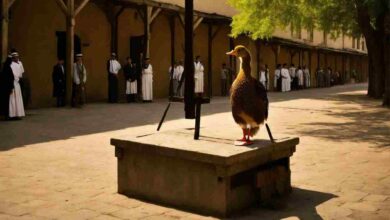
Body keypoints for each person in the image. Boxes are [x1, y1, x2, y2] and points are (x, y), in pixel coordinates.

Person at [9, 52, 25, 119]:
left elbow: (21, 72)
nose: (17, 58)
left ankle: (18, 114)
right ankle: (12, 114)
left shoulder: (19, 63)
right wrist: (17, 78)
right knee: (13, 99)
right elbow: (13, 74)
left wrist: (19, 78)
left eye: (18, 57)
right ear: (13, 58)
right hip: (13, 83)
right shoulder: (11, 65)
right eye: (16, 57)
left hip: (17, 83)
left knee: (18, 99)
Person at [0, 55, 14, 119]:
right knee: (6, 101)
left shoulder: (5, 67)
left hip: (4, 87)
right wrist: (11, 87)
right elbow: (9, 78)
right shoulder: (8, 68)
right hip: (7, 87)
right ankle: (6, 115)